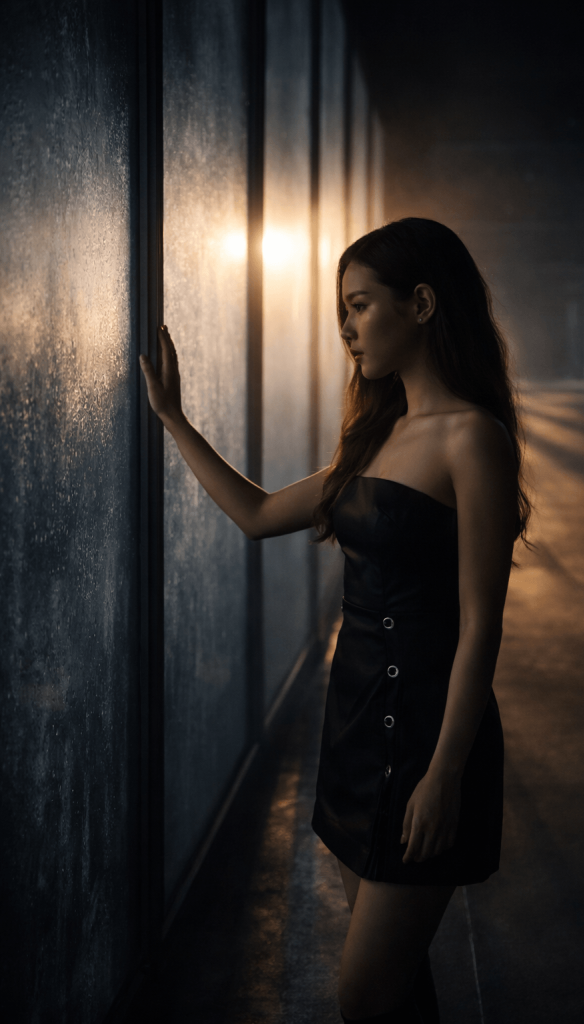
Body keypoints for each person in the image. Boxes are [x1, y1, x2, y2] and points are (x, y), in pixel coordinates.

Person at [140, 217, 530, 1023]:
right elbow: (254, 513)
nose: (345, 328)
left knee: (362, 994)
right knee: (393, 990)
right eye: (340, 310)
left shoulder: (473, 440)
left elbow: (479, 623)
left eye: (359, 306)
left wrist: (445, 775)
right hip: (354, 729)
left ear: (420, 303)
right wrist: (175, 420)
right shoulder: (378, 433)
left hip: (423, 740)